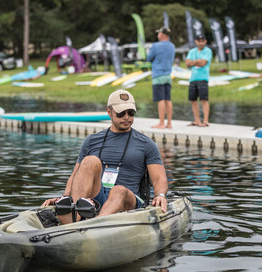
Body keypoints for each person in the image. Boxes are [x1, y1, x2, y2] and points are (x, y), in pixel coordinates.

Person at [42, 89, 168, 223]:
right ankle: (74, 215)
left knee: (118, 190)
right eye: (121, 113)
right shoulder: (91, 141)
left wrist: (160, 195)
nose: (126, 117)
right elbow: (75, 175)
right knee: (90, 161)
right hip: (97, 197)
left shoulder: (146, 144)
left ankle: (94, 224)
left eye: (131, 113)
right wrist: (64, 198)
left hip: (128, 201)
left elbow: (159, 178)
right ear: (109, 112)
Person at [147, 26, 175, 129]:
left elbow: (149, 58)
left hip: (158, 75)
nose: (158, 34)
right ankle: (169, 123)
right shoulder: (172, 46)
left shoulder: (155, 46)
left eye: (158, 33)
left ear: (162, 34)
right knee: (168, 99)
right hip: (168, 75)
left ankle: (161, 123)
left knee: (161, 99)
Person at [185, 34, 213, 127]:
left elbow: (203, 63)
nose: (200, 42)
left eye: (202, 40)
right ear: (196, 41)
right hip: (193, 78)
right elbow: (187, 63)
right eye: (198, 40)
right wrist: (197, 61)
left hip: (203, 78)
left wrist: (194, 62)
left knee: (204, 100)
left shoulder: (208, 51)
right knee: (193, 100)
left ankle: (205, 120)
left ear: (205, 41)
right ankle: (197, 120)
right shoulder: (192, 51)